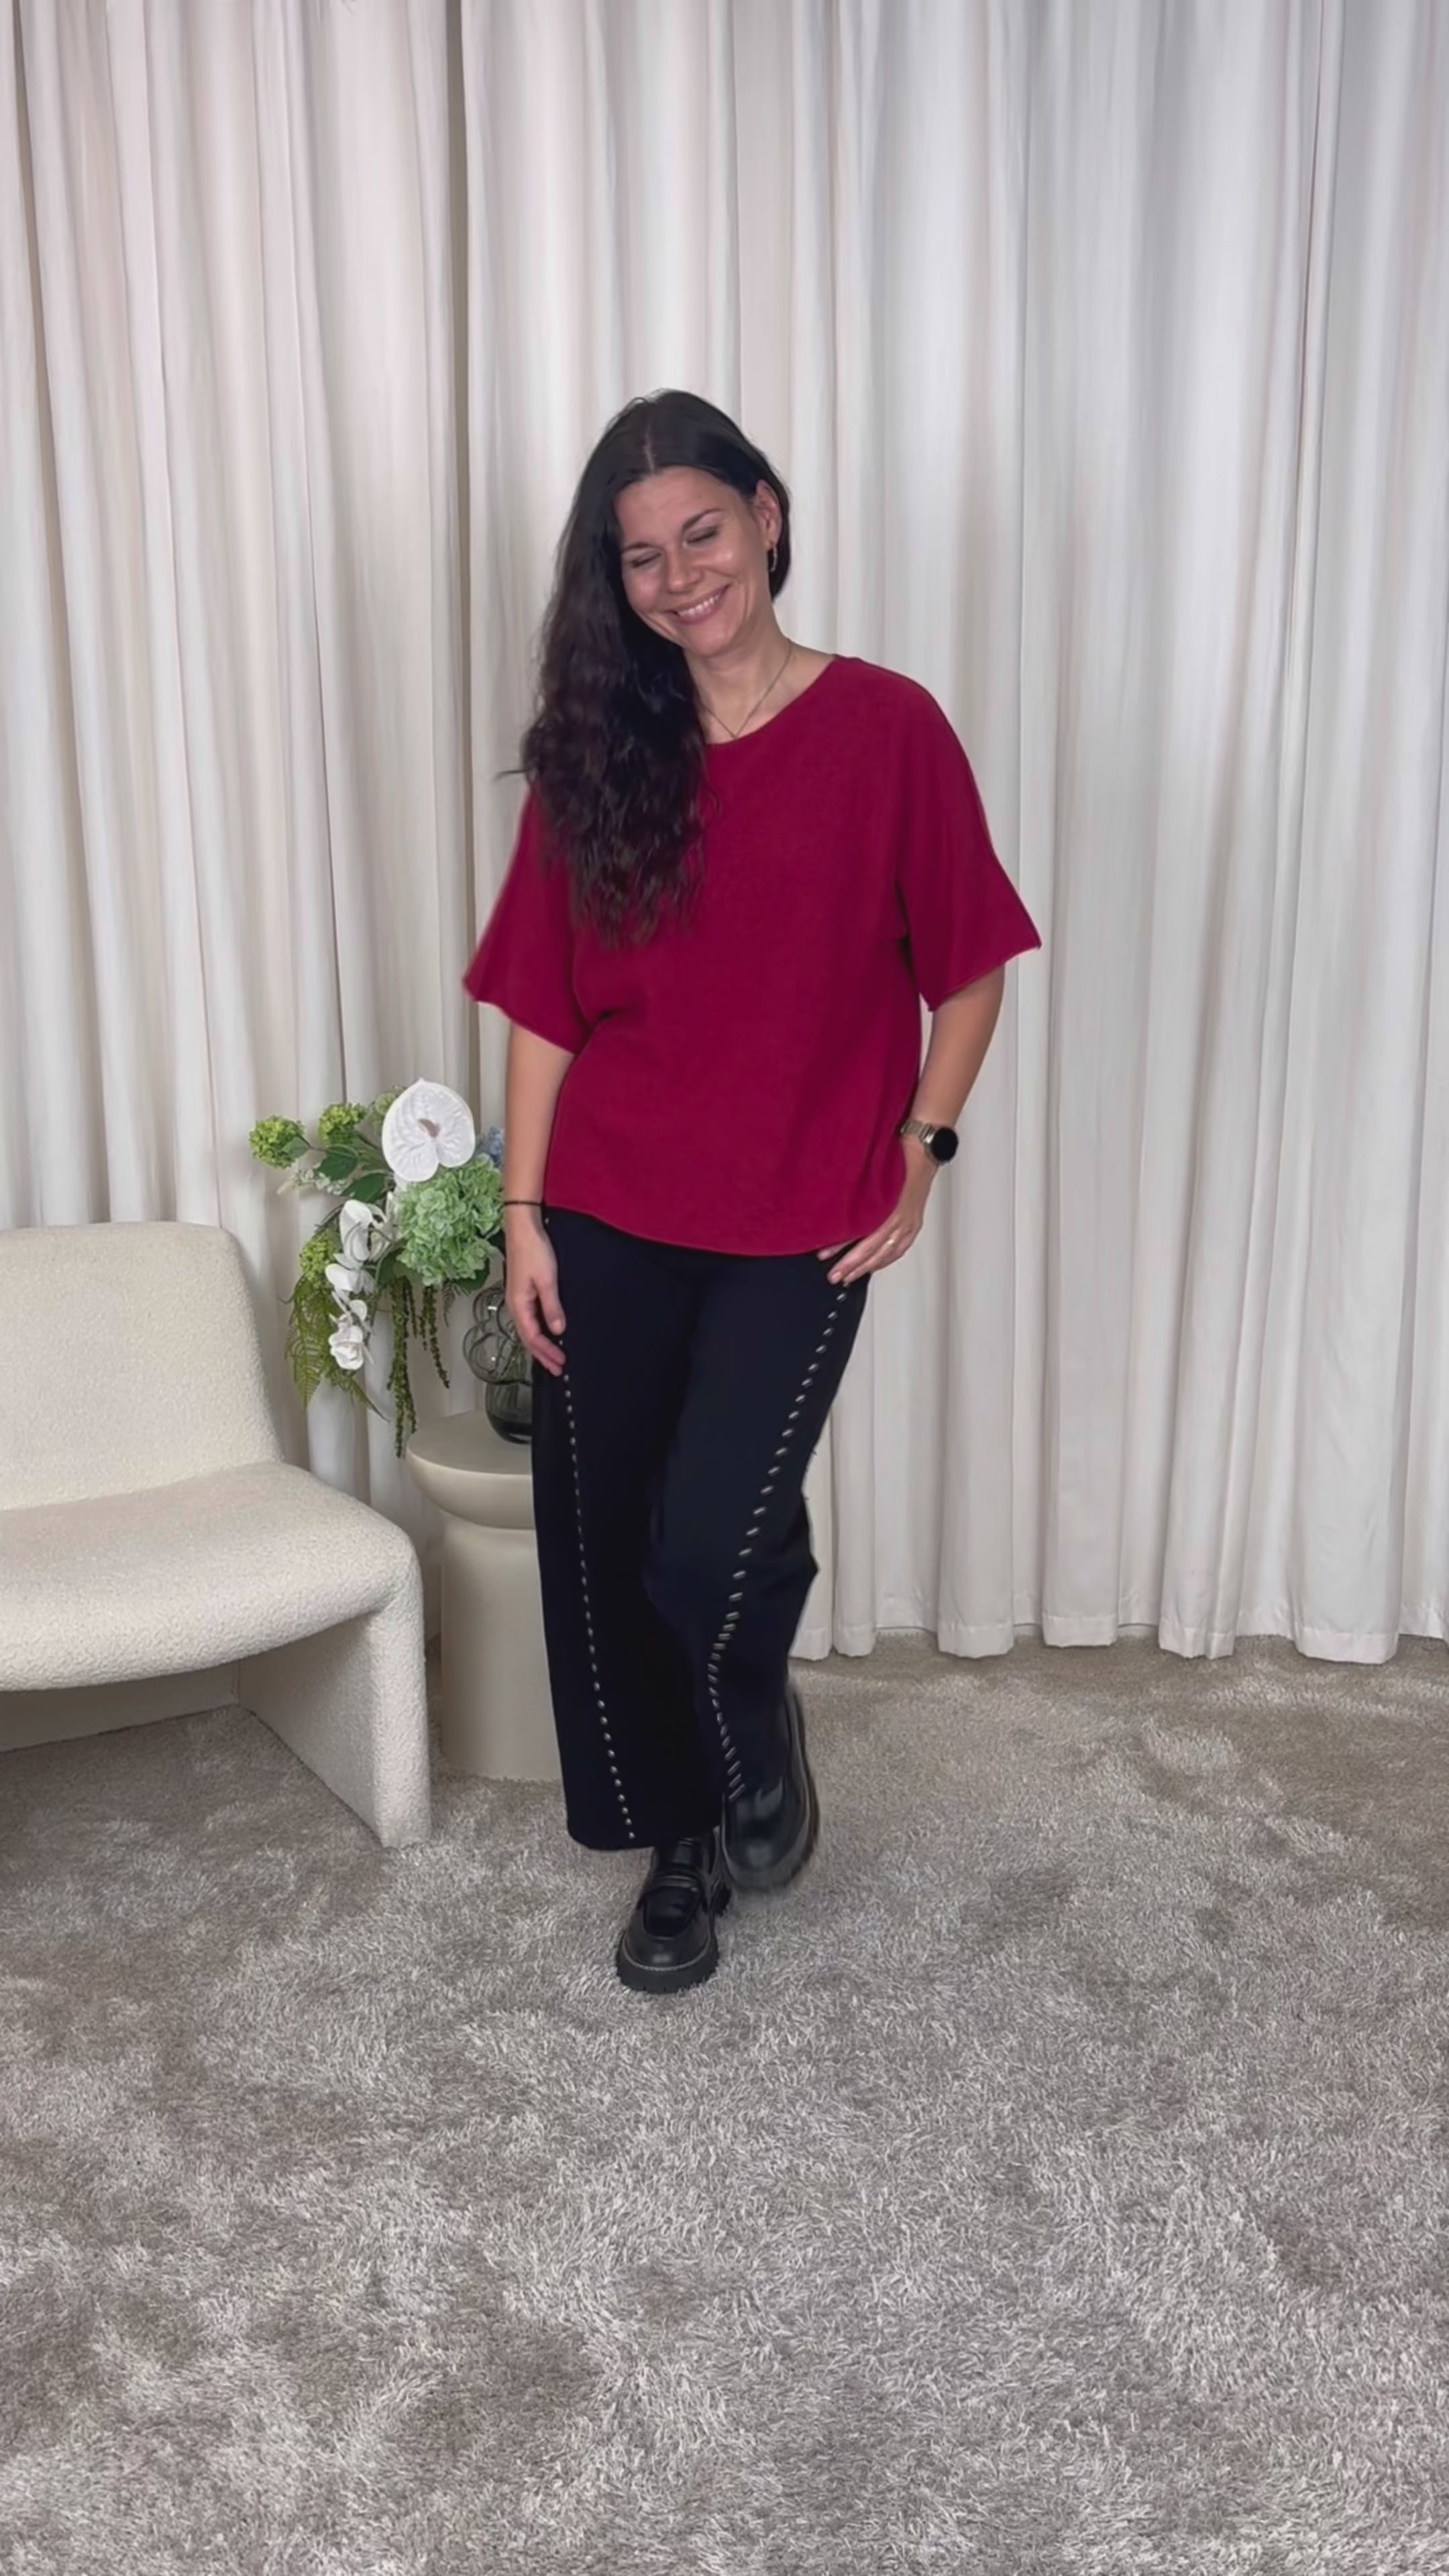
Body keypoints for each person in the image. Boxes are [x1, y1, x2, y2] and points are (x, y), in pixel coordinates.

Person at [464, 389, 1040, 1998]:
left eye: (702, 533)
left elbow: (972, 969)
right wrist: (521, 1214)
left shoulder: (888, 730)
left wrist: (923, 1146)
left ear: (767, 517)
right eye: (641, 556)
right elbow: (542, 1008)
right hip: (610, 1206)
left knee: (708, 1548)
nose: (679, 577)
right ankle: (683, 1844)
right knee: (611, 1543)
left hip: (802, 1219)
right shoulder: (599, 756)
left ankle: (754, 1713)